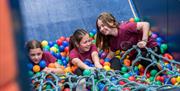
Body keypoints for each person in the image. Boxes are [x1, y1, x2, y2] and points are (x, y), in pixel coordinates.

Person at [96, 12, 160, 71]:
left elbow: (145, 24)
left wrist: (144, 41)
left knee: (142, 58)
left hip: (151, 48)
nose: (101, 29)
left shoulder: (125, 27)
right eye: (99, 27)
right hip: (137, 54)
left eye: (103, 25)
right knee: (127, 62)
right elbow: (111, 54)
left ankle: (162, 69)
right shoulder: (112, 40)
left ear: (112, 22)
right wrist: (104, 63)